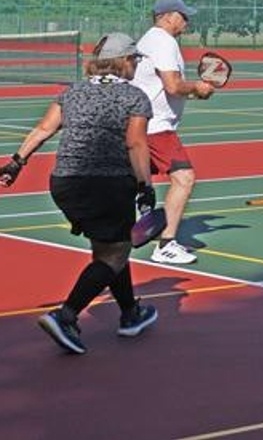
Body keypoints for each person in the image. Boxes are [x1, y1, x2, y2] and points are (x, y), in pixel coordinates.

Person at [1, 33, 159, 354]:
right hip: (108, 184)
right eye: (135, 59)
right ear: (124, 61)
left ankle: (130, 313)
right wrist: (145, 186)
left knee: (110, 247)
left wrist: (16, 163)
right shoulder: (135, 97)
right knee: (114, 253)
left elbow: (44, 129)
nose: (136, 65)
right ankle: (66, 315)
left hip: (65, 183)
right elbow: (136, 143)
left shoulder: (73, 92)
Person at [132, 0, 214, 265]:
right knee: (184, 178)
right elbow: (173, 85)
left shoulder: (149, 40)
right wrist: (198, 89)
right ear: (167, 16)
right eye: (183, 16)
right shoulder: (164, 42)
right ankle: (166, 244)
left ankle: (125, 226)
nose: (186, 21)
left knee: (136, 182)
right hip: (155, 125)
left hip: (143, 123)